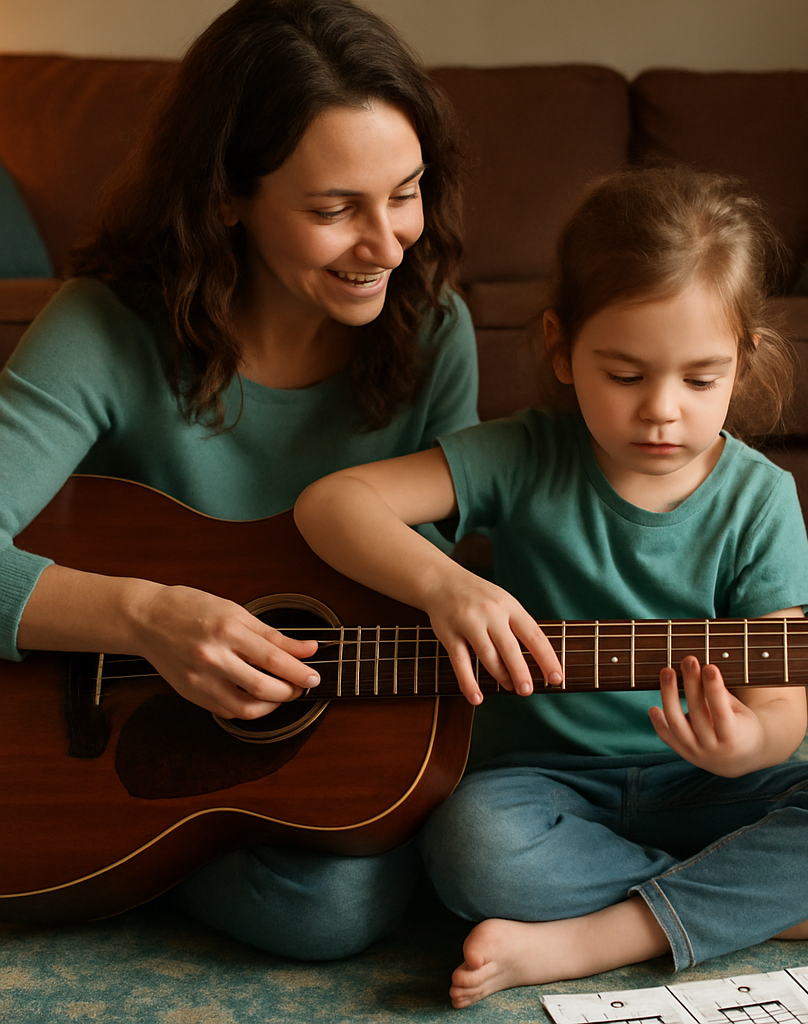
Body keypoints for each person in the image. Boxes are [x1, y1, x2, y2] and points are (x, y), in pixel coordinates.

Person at [294, 165, 808, 1005]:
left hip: (701, 785)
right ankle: (754, 903)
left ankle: (597, 937)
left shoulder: (760, 498)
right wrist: (448, 586)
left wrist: (748, 746)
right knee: (470, 847)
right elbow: (333, 504)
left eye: (701, 379)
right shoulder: (522, 455)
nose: (662, 409)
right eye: (626, 375)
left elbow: (781, 710)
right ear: (561, 348)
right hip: (538, 787)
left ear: (745, 360)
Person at [0, 0, 478, 959]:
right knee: (331, 907)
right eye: (334, 210)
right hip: (98, 724)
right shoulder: (104, 327)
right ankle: (126, 836)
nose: (389, 245)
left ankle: (159, 846)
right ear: (225, 196)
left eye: (406, 192)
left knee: (348, 893)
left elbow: (429, 578)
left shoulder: (434, 331)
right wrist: (148, 618)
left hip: (320, 732)